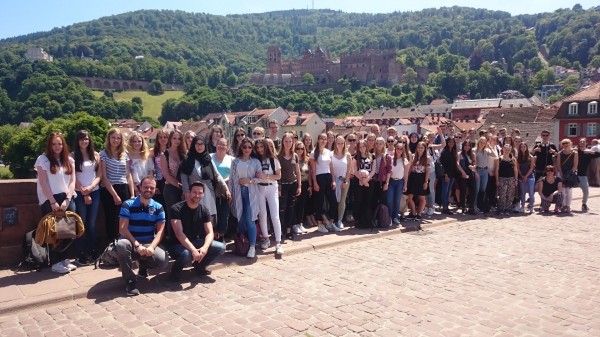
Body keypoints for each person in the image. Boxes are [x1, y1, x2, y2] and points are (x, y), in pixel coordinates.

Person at [115, 176, 168, 296]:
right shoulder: (127, 204)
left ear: (155, 190)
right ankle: (130, 280)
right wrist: (137, 244)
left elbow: (160, 232)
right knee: (121, 245)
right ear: (139, 188)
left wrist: (152, 247)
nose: (148, 190)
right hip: (130, 241)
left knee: (162, 260)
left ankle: (143, 266)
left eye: (152, 188)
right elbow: (122, 229)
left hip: (148, 242)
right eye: (146, 187)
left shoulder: (158, 207)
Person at [35, 132, 77, 274]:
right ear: (49, 145)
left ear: (63, 144)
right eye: (54, 144)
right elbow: (43, 182)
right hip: (49, 198)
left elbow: (72, 181)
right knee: (53, 231)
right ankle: (55, 262)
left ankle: (64, 259)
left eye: (59, 144)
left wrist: (67, 199)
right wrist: (52, 201)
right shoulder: (43, 159)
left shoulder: (69, 160)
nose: (57, 146)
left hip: (66, 197)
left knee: (69, 230)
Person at [168, 181, 226, 282]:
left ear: (203, 194)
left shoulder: (204, 210)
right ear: (189, 192)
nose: (197, 195)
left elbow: (210, 232)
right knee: (187, 254)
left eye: (200, 193)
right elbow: (179, 234)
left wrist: (205, 247)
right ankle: (175, 272)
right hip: (177, 245)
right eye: (194, 192)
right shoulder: (176, 209)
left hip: (195, 241)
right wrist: (194, 250)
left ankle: (199, 266)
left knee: (220, 247)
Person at [180, 135, 230, 229]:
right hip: (194, 193)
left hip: (208, 192)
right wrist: (186, 192)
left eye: (202, 144)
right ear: (193, 145)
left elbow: (217, 175)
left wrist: (225, 189)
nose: (199, 146)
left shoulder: (208, 159)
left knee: (209, 214)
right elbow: (184, 178)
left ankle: (209, 236)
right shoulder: (187, 160)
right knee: (195, 215)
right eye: (197, 144)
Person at [72, 130, 101, 265]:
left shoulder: (95, 155)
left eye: (87, 139)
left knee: (92, 224)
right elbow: (72, 177)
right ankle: (80, 253)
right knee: (80, 223)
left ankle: (93, 250)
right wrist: (84, 191)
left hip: (94, 191)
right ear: (77, 141)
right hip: (78, 192)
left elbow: (99, 175)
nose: (84, 141)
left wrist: (90, 188)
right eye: (82, 139)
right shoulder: (72, 157)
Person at [99, 128, 135, 241]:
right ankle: (112, 243)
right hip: (109, 189)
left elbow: (128, 175)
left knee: (124, 218)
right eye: (113, 137)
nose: (115, 140)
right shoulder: (103, 154)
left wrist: (132, 194)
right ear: (109, 138)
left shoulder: (124, 154)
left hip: (124, 188)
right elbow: (104, 177)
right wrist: (115, 195)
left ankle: (123, 243)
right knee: (112, 218)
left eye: (118, 138)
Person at [228, 137, 261, 258]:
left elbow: (260, 178)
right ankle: (242, 241)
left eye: (249, 147)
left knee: (250, 219)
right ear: (241, 148)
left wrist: (250, 180)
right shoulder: (235, 162)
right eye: (244, 147)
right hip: (238, 192)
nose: (247, 149)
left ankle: (252, 246)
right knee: (240, 219)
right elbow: (231, 179)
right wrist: (230, 193)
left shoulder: (255, 162)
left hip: (251, 192)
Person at [254, 138, 284, 254]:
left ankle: (278, 242)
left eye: (262, 147)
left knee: (274, 215)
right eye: (258, 147)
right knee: (262, 214)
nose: (260, 149)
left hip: (271, 187)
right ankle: (265, 238)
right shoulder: (256, 160)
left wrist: (265, 177)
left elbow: (278, 176)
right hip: (260, 188)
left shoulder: (273, 160)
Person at [310, 133, 340, 233]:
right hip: (319, 177)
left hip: (328, 177)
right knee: (320, 202)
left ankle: (330, 222)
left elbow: (331, 167)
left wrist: (333, 180)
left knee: (333, 202)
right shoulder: (313, 153)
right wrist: (315, 183)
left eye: (325, 139)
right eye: (321, 139)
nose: (323, 140)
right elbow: (313, 170)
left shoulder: (328, 152)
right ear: (318, 140)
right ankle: (320, 224)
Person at [159, 130, 186, 224]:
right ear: (170, 139)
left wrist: (185, 188)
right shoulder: (164, 154)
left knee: (184, 216)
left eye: (179, 138)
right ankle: (172, 238)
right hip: (171, 188)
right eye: (174, 138)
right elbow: (166, 175)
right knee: (173, 216)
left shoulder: (184, 154)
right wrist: (180, 186)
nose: (177, 140)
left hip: (184, 188)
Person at [278, 133, 301, 238]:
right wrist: (278, 186)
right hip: (283, 185)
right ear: (283, 142)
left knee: (291, 208)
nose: (288, 143)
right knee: (282, 209)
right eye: (286, 141)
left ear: (293, 143)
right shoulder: (278, 156)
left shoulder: (295, 155)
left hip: (293, 185)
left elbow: (298, 171)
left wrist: (299, 185)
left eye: (290, 141)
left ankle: (288, 230)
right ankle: (281, 231)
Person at [211, 137, 234, 241]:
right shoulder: (210, 157)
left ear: (228, 147)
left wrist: (223, 181)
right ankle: (213, 236)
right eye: (219, 144)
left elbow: (234, 174)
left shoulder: (231, 159)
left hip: (226, 190)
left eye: (223, 145)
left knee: (224, 215)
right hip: (212, 190)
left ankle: (221, 236)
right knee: (213, 214)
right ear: (216, 145)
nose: (221, 146)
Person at [351, 139, 376, 228]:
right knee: (359, 200)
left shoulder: (372, 156)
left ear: (366, 147)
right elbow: (354, 170)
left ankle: (367, 219)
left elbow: (373, 170)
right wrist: (361, 180)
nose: (362, 148)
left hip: (369, 182)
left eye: (363, 146)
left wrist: (367, 179)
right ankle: (358, 219)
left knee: (368, 200)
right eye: (360, 147)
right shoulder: (355, 157)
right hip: (358, 182)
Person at [404, 141, 430, 221]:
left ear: (425, 149)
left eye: (422, 148)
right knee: (410, 197)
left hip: (421, 178)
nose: (420, 149)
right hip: (413, 177)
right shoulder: (413, 156)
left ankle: (419, 214)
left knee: (422, 197)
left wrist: (426, 181)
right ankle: (413, 213)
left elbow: (428, 170)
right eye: (418, 147)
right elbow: (410, 167)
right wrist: (407, 177)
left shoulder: (427, 158)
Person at [331, 135, 352, 229]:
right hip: (334, 180)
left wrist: (346, 181)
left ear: (344, 144)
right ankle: (333, 219)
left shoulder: (347, 155)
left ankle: (339, 220)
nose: (340, 145)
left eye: (342, 143)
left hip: (343, 180)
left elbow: (349, 170)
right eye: (338, 143)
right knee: (334, 201)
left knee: (342, 201)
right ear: (335, 144)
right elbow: (330, 169)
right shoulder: (331, 154)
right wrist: (333, 181)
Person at [474, 136, 497, 214]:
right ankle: (474, 205)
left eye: (484, 143)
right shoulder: (474, 150)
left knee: (483, 189)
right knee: (476, 189)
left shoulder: (486, 150)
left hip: (485, 171)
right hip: (477, 170)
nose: (482, 144)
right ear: (478, 142)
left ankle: (480, 206)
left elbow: (495, 155)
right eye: (481, 142)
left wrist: (489, 146)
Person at [555, 138, 578, 213]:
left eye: (566, 143)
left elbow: (575, 165)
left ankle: (568, 206)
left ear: (570, 144)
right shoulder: (559, 153)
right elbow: (558, 165)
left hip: (570, 173)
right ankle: (563, 205)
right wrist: (562, 175)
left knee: (569, 190)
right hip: (561, 173)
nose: (565, 145)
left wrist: (570, 174)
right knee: (562, 190)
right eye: (563, 143)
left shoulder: (575, 153)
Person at [127, 131, 154, 196]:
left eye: (139, 141)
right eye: (134, 141)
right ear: (131, 142)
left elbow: (150, 171)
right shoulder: (127, 155)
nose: (137, 143)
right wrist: (135, 188)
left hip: (145, 186)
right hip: (132, 186)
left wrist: (149, 185)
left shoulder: (147, 155)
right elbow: (128, 173)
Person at [388, 142, 409, 224]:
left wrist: (405, 184)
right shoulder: (391, 158)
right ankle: (389, 217)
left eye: (401, 149)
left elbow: (406, 174)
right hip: (391, 181)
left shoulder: (405, 161)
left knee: (397, 200)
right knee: (389, 200)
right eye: (398, 148)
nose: (399, 150)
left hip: (400, 182)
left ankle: (395, 217)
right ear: (395, 149)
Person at [576, 138, 600, 211]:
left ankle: (584, 204)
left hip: (583, 175)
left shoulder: (588, 152)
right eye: (581, 141)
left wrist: (590, 151)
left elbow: (598, 154)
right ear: (579, 143)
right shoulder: (575, 151)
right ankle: (564, 205)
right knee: (566, 190)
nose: (582, 142)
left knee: (586, 191)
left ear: (586, 143)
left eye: (584, 141)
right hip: (573, 174)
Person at [293, 140, 312, 233]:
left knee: (302, 205)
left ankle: (300, 223)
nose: (300, 150)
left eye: (301, 148)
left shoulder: (306, 159)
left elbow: (309, 173)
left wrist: (310, 185)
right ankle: (294, 224)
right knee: (295, 205)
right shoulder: (293, 159)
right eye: (298, 148)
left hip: (305, 184)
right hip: (295, 184)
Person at [495, 144, 518, 215]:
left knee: (510, 194)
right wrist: (497, 180)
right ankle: (501, 208)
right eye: (505, 150)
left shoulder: (513, 159)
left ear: (510, 150)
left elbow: (515, 170)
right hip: (502, 178)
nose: (507, 151)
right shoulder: (499, 159)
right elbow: (497, 170)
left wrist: (516, 179)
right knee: (502, 194)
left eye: (508, 150)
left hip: (511, 178)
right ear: (503, 149)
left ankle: (507, 208)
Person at [456, 140, 477, 215]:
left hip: (471, 174)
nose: (467, 147)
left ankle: (471, 208)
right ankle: (463, 207)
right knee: (463, 191)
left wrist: (473, 167)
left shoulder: (473, 154)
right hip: (463, 174)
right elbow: (457, 164)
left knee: (473, 191)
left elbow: (475, 164)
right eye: (465, 145)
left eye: (468, 145)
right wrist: (463, 172)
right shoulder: (459, 153)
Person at [439, 137, 459, 214]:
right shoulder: (444, 152)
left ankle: (446, 206)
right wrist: (445, 174)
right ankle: (444, 207)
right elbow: (442, 164)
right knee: (445, 191)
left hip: (452, 174)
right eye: (450, 142)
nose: (451, 143)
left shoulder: (454, 152)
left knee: (448, 192)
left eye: (452, 142)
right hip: (446, 175)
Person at [150, 129, 169, 211]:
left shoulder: (171, 151)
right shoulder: (154, 152)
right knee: (159, 205)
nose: (163, 139)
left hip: (169, 180)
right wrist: (155, 184)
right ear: (157, 139)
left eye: (165, 137)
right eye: (160, 137)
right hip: (158, 181)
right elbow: (151, 168)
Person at [517, 142, 536, 214]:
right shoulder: (518, 157)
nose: (523, 148)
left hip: (530, 176)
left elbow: (531, 168)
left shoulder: (531, 157)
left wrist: (526, 176)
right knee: (523, 192)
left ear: (526, 147)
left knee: (531, 192)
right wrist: (522, 176)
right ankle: (522, 206)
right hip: (521, 176)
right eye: (521, 147)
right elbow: (518, 168)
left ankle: (531, 206)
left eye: (524, 146)